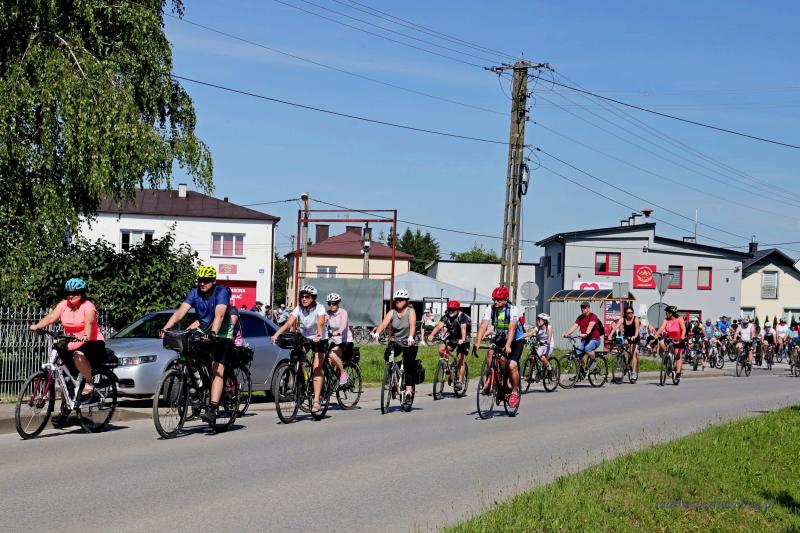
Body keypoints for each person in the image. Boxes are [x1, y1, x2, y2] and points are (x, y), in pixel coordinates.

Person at [161, 266, 234, 425]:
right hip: (203, 331)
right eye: (200, 280)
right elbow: (180, 312)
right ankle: (196, 392)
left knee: (217, 369)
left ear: (213, 281)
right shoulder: (194, 293)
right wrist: (166, 328)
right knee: (188, 355)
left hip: (221, 334)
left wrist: (213, 333)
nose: (202, 283)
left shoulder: (221, 292)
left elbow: (219, 314)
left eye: (206, 280)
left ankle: (212, 408)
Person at [30, 278, 107, 421]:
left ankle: (89, 382)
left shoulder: (88, 306)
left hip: (92, 342)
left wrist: (85, 335)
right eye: (68, 293)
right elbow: (51, 317)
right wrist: (38, 326)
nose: (71, 296)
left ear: (81, 293)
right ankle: (65, 410)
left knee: (78, 355)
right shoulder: (63, 305)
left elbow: (89, 324)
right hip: (72, 341)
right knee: (63, 375)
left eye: (75, 293)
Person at [271, 285, 328, 414]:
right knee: (296, 356)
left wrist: (319, 335)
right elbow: (288, 323)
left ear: (313, 298)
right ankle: (302, 386)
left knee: (316, 368)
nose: (304, 299)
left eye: (307, 296)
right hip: (306, 337)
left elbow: (320, 322)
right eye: (302, 296)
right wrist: (276, 334)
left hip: (320, 339)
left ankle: (316, 400)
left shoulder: (320, 308)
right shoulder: (299, 308)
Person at [475, 286, 524, 409]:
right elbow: (483, 326)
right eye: (494, 299)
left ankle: (514, 392)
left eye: (499, 300)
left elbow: (512, 328)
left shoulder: (513, 309)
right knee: (490, 352)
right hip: (501, 336)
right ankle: (491, 379)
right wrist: (477, 343)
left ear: (506, 299)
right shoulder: (490, 309)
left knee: (512, 365)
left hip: (516, 340)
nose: (495, 302)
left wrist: (507, 345)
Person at [372, 289, 418, 404]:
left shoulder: (410, 311)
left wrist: (411, 337)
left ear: (406, 301)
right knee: (388, 355)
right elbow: (384, 323)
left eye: (401, 300)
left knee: (408, 365)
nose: (398, 301)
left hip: (410, 341)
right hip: (397, 341)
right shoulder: (392, 312)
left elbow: (412, 325)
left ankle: (408, 392)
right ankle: (393, 378)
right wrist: (377, 333)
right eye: (397, 300)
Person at [427, 300, 470, 392]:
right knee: (442, 349)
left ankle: (459, 381)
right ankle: (449, 369)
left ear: (458, 310)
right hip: (453, 336)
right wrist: (431, 335)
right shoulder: (446, 316)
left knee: (461, 359)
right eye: (449, 309)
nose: (451, 311)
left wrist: (462, 339)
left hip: (464, 337)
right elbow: (439, 326)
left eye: (453, 309)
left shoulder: (462, 316)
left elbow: (463, 328)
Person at [563, 301, 602, 373]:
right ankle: (581, 372)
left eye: (584, 307)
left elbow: (590, 325)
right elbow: (574, 326)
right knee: (577, 354)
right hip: (584, 340)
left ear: (588, 308)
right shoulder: (580, 317)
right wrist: (567, 334)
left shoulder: (593, 316)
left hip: (594, 339)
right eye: (581, 307)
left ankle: (594, 361)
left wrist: (586, 333)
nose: (582, 309)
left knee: (587, 348)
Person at [324, 292, 350, 386]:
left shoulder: (343, 312)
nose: (331, 305)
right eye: (329, 303)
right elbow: (322, 322)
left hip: (345, 341)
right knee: (325, 358)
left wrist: (338, 332)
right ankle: (331, 380)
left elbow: (343, 325)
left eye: (333, 303)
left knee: (331, 354)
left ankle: (343, 373)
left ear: (338, 303)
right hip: (335, 341)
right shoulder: (328, 313)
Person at [608, 306, 641, 380]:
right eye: (628, 313)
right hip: (627, 336)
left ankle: (634, 372)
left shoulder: (635, 319)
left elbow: (637, 329)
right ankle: (624, 363)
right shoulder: (622, 319)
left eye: (631, 312)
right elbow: (616, 327)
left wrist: (635, 336)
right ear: (625, 313)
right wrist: (610, 335)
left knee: (633, 353)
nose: (630, 314)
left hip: (635, 337)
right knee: (622, 346)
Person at [656, 305, 686, 382]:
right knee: (661, 342)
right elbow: (661, 328)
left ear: (671, 313)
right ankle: (666, 359)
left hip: (679, 340)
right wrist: (656, 335)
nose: (666, 314)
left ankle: (678, 373)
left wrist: (682, 337)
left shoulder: (679, 319)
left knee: (677, 355)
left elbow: (683, 329)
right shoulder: (666, 320)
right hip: (670, 339)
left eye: (667, 312)